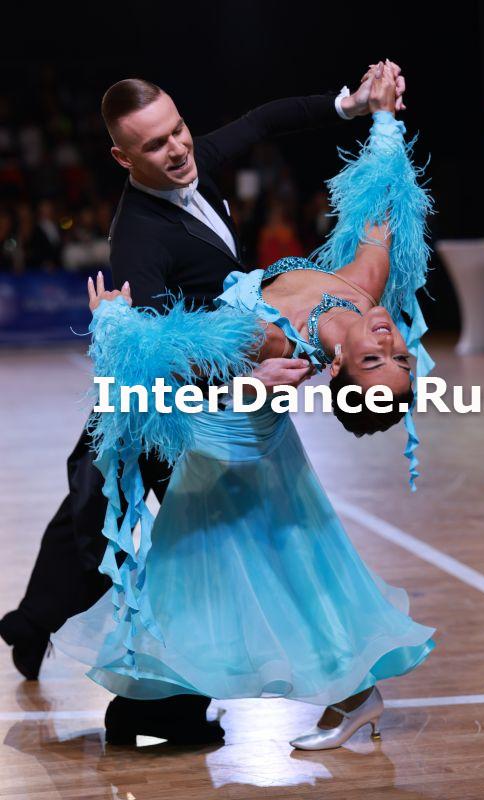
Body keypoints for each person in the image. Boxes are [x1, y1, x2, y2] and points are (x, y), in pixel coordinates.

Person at [0, 61, 407, 746]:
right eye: (156, 143)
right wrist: (373, 110)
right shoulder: (140, 237)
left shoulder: (191, 167)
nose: (179, 149)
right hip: (165, 405)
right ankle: (43, 627)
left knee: (195, 552)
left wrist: (355, 107)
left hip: (208, 407)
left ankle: (156, 703)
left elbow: (263, 121)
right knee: (95, 509)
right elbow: (162, 359)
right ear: (123, 157)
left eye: (179, 130)